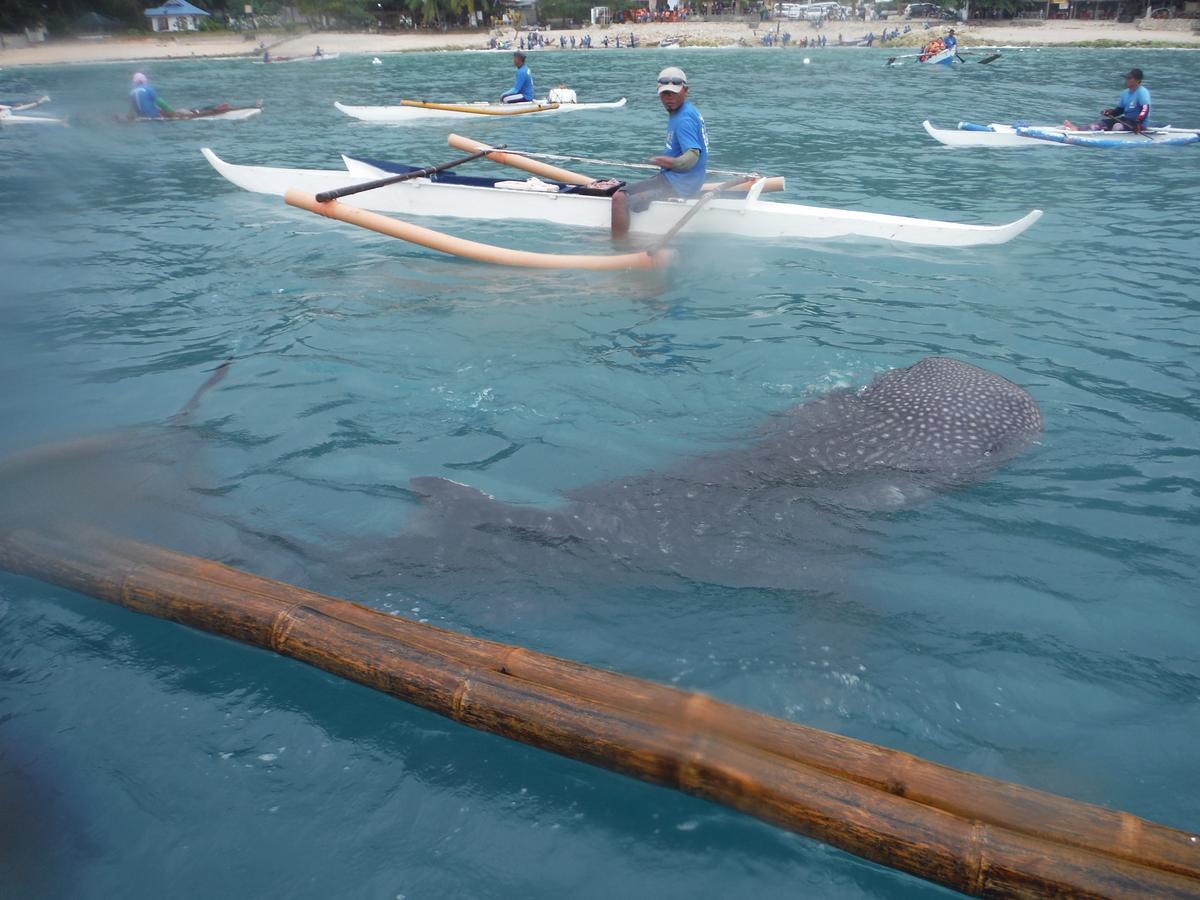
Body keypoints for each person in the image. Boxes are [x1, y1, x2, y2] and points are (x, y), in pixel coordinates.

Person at [611, 67, 709, 236]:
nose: (669, 98)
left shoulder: (684, 119)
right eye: (665, 94)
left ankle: (618, 248)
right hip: (686, 181)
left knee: (619, 197)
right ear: (658, 92)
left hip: (679, 185)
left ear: (685, 91)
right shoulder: (688, 110)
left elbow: (692, 156)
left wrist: (673, 162)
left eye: (674, 93)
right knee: (632, 187)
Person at [1065, 68, 1151, 132]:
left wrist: (1138, 122)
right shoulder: (1125, 93)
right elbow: (1120, 110)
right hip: (1126, 120)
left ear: (1138, 80)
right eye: (1126, 78)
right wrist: (1110, 112)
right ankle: (1077, 129)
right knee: (1101, 124)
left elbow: (1145, 109)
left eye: (1129, 78)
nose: (1126, 80)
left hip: (1138, 124)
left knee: (1117, 126)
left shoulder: (1142, 92)